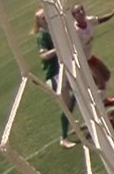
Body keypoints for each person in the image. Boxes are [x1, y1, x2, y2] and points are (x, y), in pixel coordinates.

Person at [33, 9, 80, 149]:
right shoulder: (42, 36)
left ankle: (70, 120)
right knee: (66, 104)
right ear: (38, 22)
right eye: (42, 18)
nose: (45, 19)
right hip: (53, 74)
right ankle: (64, 138)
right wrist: (57, 50)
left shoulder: (53, 30)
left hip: (63, 69)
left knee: (78, 92)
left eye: (45, 16)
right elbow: (43, 55)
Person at [71, 3, 114, 107]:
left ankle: (103, 99)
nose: (81, 12)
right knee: (100, 82)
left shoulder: (89, 20)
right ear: (74, 16)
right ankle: (99, 108)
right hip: (82, 61)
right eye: (77, 12)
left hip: (89, 56)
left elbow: (99, 20)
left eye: (82, 9)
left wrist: (112, 14)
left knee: (106, 74)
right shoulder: (74, 31)